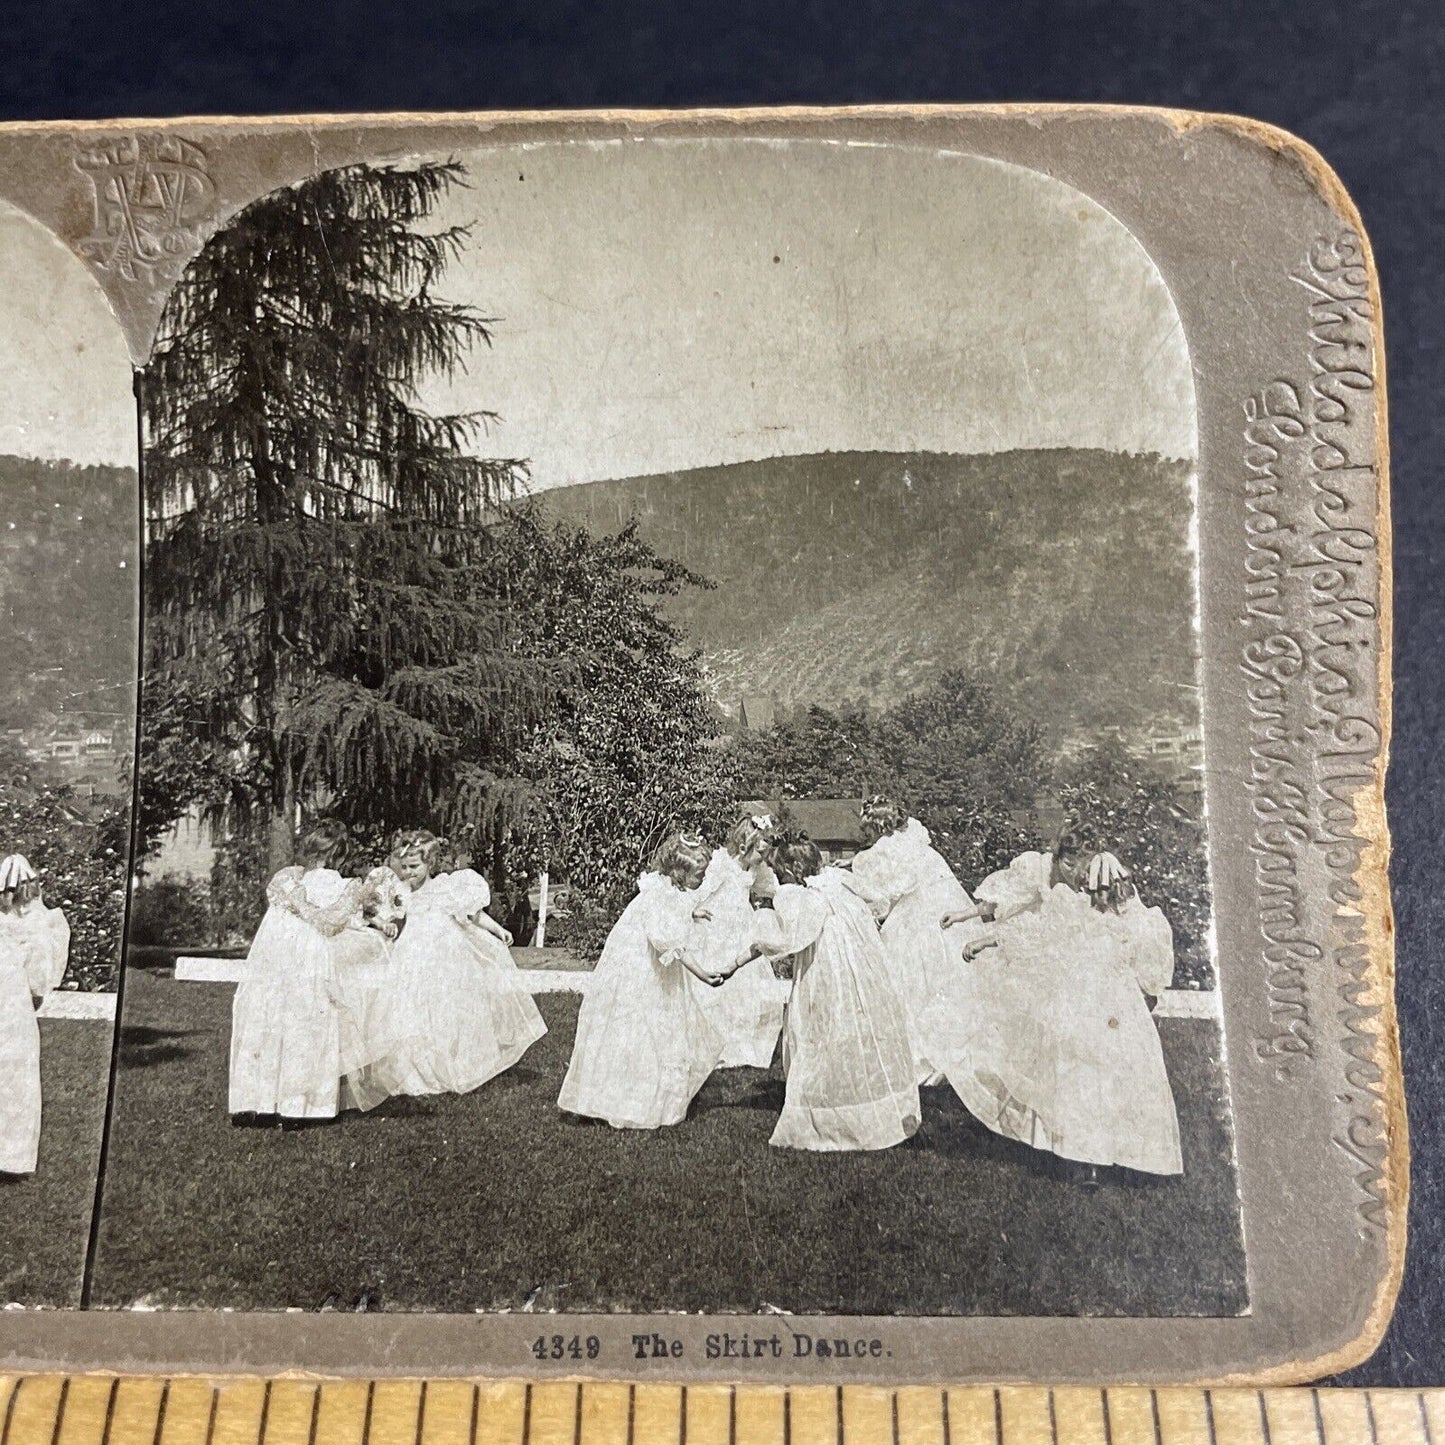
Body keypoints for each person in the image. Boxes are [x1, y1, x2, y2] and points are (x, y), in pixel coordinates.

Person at [931, 830, 1184, 1177]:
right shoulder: (1075, 902)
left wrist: (1145, 983)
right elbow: (1040, 933)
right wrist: (987, 939)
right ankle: (1091, 1159)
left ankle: (1110, 1155)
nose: (1077, 876)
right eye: (1069, 864)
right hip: (1089, 996)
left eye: (1082, 868)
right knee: (1086, 1071)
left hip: (1104, 999)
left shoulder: (1098, 898)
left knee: (1104, 1070)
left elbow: (1140, 931)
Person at [749, 834, 920, 1152]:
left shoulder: (797, 897)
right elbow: (877, 903)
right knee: (856, 1024)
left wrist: (759, 922)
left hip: (825, 966)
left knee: (821, 1027)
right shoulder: (837, 882)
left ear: (789, 871)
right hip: (859, 959)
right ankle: (866, 1101)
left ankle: (830, 1114)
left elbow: (787, 939)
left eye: (778, 872)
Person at [558, 833, 734, 1129]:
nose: (702, 881)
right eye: (698, 875)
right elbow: (670, 943)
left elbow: (674, 912)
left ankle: (647, 1092)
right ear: (680, 873)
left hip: (645, 962)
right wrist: (702, 974)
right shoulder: (659, 896)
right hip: (638, 969)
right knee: (641, 1026)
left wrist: (692, 911)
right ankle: (625, 1099)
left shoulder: (663, 886)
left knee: (656, 1028)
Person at [364, 830, 547, 1099]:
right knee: (412, 1008)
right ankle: (415, 1072)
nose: (408, 873)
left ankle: (452, 1065)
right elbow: (377, 914)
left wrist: (498, 930)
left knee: (447, 1009)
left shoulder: (445, 887)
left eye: (414, 867)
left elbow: (473, 915)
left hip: (445, 958)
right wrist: (385, 925)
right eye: (404, 868)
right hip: (412, 955)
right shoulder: (401, 892)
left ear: (430, 864)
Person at [228, 820, 361, 1122]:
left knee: (269, 1018)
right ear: (341, 856)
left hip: (275, 959)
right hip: (312, 961)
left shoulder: (287, 880)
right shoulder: (345, 887)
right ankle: (302, 1106)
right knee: (309, 1020)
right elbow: (336, 925)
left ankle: (258, 1101)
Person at [848, 797, 985, 1084]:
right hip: (945, 912)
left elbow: (882, 898)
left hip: (916, 918)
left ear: (875, 826)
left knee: (909, 981)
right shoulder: (915, 839)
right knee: (942, 979)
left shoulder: (879, 853)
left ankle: (915, 1055)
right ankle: (949, 1052)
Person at [690, 813, 787, 1068]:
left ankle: (737, 1046)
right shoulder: (722, 864)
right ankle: (709, 1042)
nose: (762, 860)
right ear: (744, 846)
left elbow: (772, 890)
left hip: (741, 925)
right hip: (714, 926)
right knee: (711, 990)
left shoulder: (757, 867)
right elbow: (699, 891)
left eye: (764, 855)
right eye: (759, 854)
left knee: (745, 989)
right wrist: (691, 911)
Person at [0, 855, 70, 1175]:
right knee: (14, 1076)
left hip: (13, 1005)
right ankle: (11, 1156)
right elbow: (41, 979)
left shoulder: (33, 922)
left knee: (14, 1075)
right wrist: (36, 992)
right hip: (14, 1005)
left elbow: (40, 978)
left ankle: (11, 1156)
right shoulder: (35, 923)